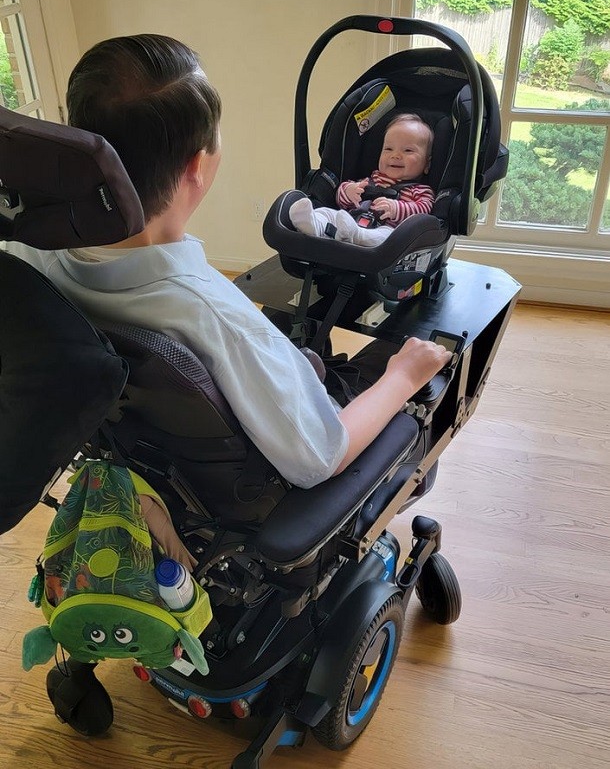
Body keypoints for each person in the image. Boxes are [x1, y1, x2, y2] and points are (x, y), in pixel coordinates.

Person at [1, 34, 450, 491]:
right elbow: (320, 458)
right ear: (198, 165)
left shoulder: (26, 255)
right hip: (263, 488)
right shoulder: (219, 321)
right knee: (414, 381)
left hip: (149, 452)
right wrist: (403, 376)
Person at [289, 114, 435, 248]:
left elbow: (423, 211)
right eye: (388, 149)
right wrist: (348, 191)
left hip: (387, 231)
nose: (395, 155)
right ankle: (312, 223)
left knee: (385, 237)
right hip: (349, 219)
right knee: (327, 213)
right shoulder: (372, 179)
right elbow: (341, 200)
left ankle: (355, 234)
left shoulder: (420, 190)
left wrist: (396, 209)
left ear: (427, 165)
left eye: (408, 150)